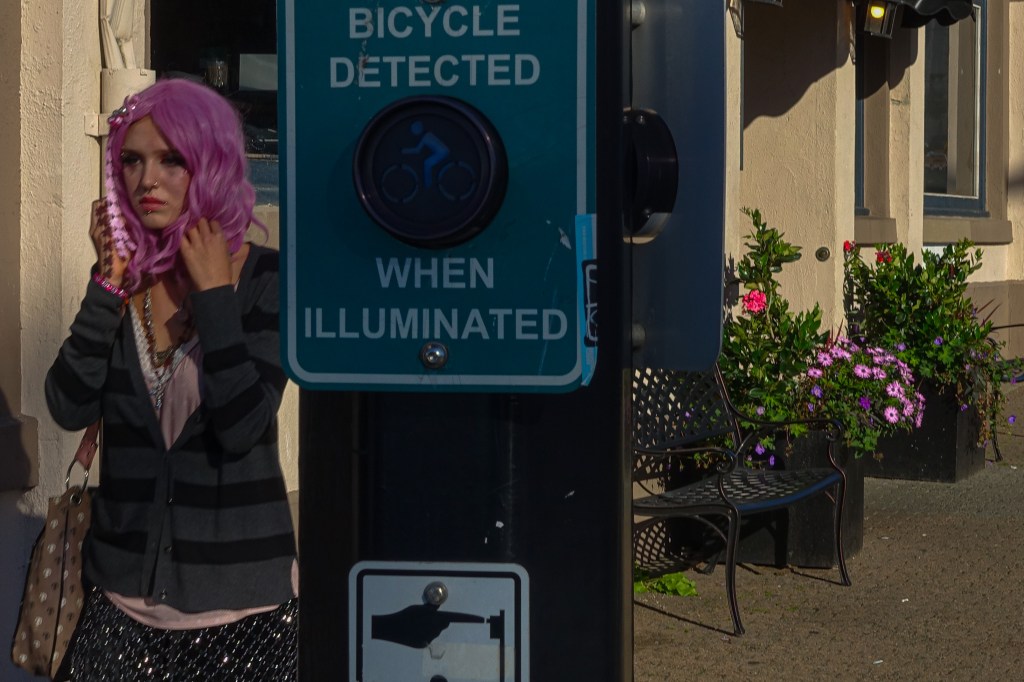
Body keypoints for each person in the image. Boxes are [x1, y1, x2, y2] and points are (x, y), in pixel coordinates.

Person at [44, 78, 297, 681]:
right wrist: (107, 285)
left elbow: (242, 427)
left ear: (211, 163)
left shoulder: (268, 280)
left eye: (171, 160)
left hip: (243, 616)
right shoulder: (125, 281)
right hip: (118, 609)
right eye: (132, 160)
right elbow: (68, 405)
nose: (146, 181)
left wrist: (214, 299)